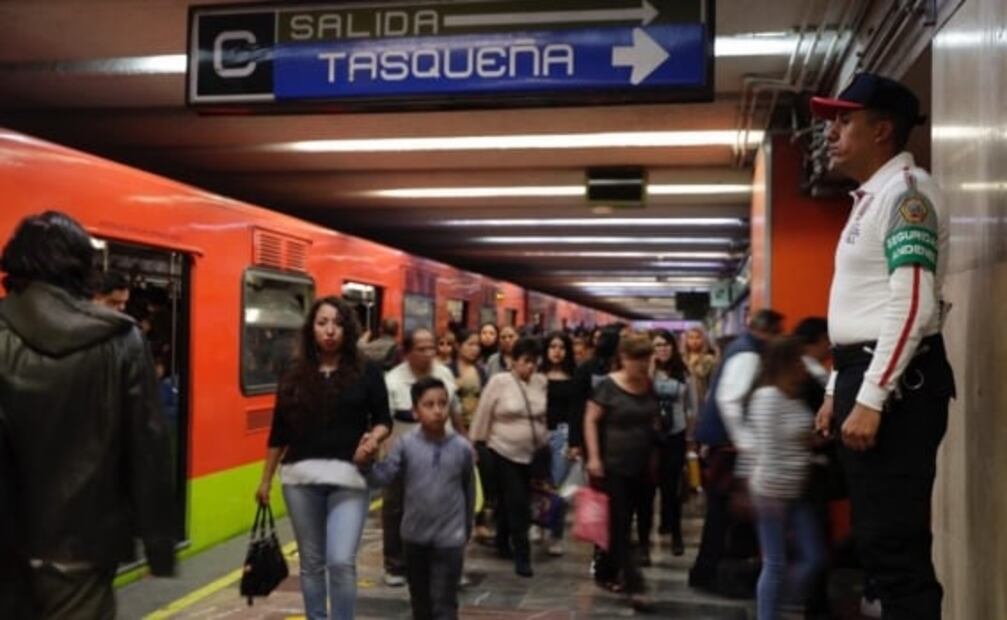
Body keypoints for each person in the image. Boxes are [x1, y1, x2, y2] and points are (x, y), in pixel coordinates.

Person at [810, 73, 954, 620]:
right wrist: (835, 388)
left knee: (896, 550)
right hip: (865, 374)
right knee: (877, 543)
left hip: (895, 387)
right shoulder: (871, 198)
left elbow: (912, 301)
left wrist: (871, 397)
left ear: (882, 129)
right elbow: (858, 308)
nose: (831, 131)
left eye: (845, 120)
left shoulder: (907, 194)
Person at [0, 211, 177, 619]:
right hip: (86, 546)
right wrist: (158, 545)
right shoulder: (120, 339)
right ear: (82, 268)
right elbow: (148, 446)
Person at [256, 296, 392, 620]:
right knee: (312, 563)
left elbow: (383, 418)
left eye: (338, 323)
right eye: (322, 323)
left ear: (348, 328)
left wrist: (373, 439)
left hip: (350, 478)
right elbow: (278, 432)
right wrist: (264, 481)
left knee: (341, 561)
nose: (330, 330)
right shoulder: (293, 373)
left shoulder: (367, 370)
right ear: (311, 329)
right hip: (299, 480)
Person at [361, 377, 475, 620]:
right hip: (414, 538)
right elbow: (381, 478)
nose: (437, 410)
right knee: (420, 603)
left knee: (445, 603)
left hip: (450, 540)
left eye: (443, 404)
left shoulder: (462, 448)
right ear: (415, 411)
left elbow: (468, 489)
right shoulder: (405, 445)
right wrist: (366, 463)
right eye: (429, 404)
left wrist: (466, 529)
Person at [691, 308, 784, 592]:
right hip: (727, 446)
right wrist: (745, 442)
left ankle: (712, 572)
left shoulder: (739, 348)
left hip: (723, 442)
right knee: (722, 514)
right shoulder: (748, 354)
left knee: (723, 514)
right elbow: (729, 400)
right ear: (764, 330)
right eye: (777, 332)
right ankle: (709, 574)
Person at [748, 337, 826, 620]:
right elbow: (771, 446)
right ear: (784, 364)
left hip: (797, 490)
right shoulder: (767, 398)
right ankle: (769, 614)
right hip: (772, 493)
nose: (803, 368)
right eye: (798, 361)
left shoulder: (794, 396)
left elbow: (801, 437)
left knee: (814, 558)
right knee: (775, 563)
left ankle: (786, 604)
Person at [383, 328, 465, 587]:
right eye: (422, 348)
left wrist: (465, 440)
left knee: (446, 505)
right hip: (404, 453)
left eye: (432, 347)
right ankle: (395, 564)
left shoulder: (443, 373)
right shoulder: (393, 380)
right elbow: (384, 421)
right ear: (407, 352)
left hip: (444, 451)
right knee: (396, 508)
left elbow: (454, 410)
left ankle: (447, 562)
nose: (430, 353)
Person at [583, 332, 659, 610]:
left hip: (642, 465)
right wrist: (593, 457)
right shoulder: (607, 387)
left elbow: (652, 418)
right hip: (613, 466)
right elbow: (590, 420)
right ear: (624, 358)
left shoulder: (649, 386)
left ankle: (606, 570)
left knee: (633, 522)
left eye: (646, 359)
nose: (643, 365)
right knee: (619, 522)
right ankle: (634, 584)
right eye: (637, 359)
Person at [469, 337, 548, 577]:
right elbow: (483, 413)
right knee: (517, 503)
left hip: (532, 452)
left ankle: (502, 541)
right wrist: (475, 444)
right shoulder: (499, 382)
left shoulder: (541, 382)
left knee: (509, 500)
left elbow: (544, 417)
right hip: (501, 449)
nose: (530, 367)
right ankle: (522, 556)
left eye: (534, 362)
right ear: (513, 361)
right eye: (526, 361)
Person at [650, 329, 691, 557]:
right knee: (652, 484)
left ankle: (676, 533)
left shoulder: (683, 373)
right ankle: (660, 525)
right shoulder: (647, 371)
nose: (662, 349)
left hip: (676, 433)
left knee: (672, 486)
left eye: (666, 345)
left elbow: (691, 406)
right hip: (651, 437)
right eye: (657, 345)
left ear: (673, 348)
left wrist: (692, 438)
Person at [539, 331, 578, 556]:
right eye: (552, 346)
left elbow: (576, 411)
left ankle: (556, 534)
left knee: (558, 487)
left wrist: (575, 442)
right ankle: (537, 522)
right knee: (537, 483)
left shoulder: (574, 377)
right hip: (538, 433)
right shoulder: (537, 376)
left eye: (561, 347)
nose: (557, 351)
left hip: (563, 434)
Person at [683, 326, 717, 411]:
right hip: (685, 399)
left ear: (703, 340)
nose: (694, 341)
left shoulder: (708, 359)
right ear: (686, 340)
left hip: (702, 399)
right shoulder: (682, 358)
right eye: (691, 338)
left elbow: (711, 380)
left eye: (697, 338)